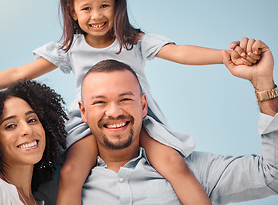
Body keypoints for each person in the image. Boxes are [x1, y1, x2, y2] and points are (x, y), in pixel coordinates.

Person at [0, 0, 260, 204]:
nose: (96, 15)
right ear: (71, 11)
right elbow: (17, 74)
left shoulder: (135, 41)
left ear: (118, 6)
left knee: (175, 165)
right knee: (71, 171)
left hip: (139, 121)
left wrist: (226, 56)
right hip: (89, 124)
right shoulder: (70, 48)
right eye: (86, 8)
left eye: (104, 5)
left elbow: (180, 51)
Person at [77, 39, 278, 204]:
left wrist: (263, 83)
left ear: (143, 105)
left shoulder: (194, 171)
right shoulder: (63, 182)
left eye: (125, 99)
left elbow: (273, 176)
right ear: (83, 112)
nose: (114, 112)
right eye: (100, 102)